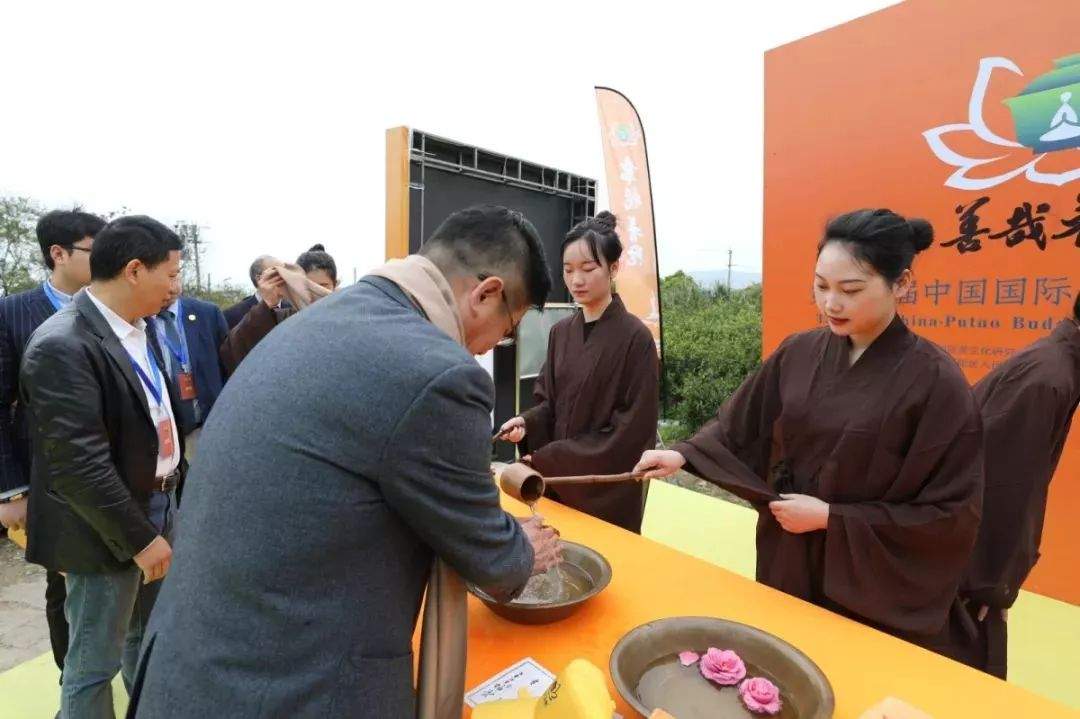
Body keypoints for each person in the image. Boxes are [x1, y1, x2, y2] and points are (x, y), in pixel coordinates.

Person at [128, 205, 562, 717]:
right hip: (286, 687)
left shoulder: (317, 321)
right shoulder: (438, 373)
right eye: (506, 329)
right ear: (486, 293)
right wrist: (520, 550)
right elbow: (489, 557)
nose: (494, 345)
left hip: (194, 667)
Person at [635, 209, 984, 658]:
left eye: (850, 290)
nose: (831, 304)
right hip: (787, 553)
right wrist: (684, 454)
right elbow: (739, 423)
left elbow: (950, 513)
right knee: (777, 668)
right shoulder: (799, 352)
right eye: (821, 286)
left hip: (864, 579)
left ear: (902, 285)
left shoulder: (938, 382)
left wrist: (833, 519)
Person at [21, 215, 185, 718]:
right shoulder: (62, 345)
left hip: (158, 504)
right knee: (94, 663)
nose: (177, 286)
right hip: (104, 527)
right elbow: (79, 466)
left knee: (146, 640)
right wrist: (139, 537)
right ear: (135, 270)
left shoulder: (142, 326)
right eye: (172, 273)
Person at [499, 212, 659, 533]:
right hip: (558, 482)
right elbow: (550, 404)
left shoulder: (636, 339)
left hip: (602, 490)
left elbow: (629, 433)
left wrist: (552, 458)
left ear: (613, 269)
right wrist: (527, 423)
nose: (576, 281)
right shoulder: (560, 333)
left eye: (588, 269)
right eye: (568, 270)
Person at [0, 208, 105, 678]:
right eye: (93, 249)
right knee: (62, 583)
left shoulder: (110, 306)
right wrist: (11, 490)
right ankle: (73, 679)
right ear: (58, 254)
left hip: (113, 471)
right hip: (49, 479)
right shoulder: (12, 314)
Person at [954, 293, 1080, 678]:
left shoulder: (1056, 368)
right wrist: (994, 584)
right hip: (966, 577)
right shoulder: (1048, 378)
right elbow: (1001, 489)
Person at [150, 281, 230, 451]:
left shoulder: (207, 314)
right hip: (163, 434)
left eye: (175, 275)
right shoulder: (137, 320)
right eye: (166, 278)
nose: (171, 288)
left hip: (208, 427)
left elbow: (228, 369)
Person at [222, 254, 281, 328]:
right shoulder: (232, 315)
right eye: (276, 272)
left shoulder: (295, 310)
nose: (283, 276)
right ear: (259, 279)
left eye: (285, 271)